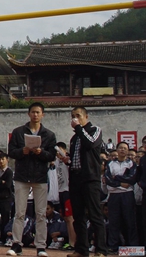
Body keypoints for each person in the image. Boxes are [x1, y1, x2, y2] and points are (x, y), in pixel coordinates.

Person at [7, 102, 57, 257]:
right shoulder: (18, 132)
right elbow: (11, 152)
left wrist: (40, 152)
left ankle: (41, 246)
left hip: (40, 177)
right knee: (19, 212)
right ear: (28, 114)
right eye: (33, 112)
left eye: (38, 112)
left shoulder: (49, 135)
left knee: (41, 213)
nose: (35, 115)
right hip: (22, 176)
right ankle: (16, 244)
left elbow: (51, 156)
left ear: (43, 115)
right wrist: (23, 151)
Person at [64, 106, 108, 257]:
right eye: (73, 116)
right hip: (76, 178)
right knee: (78, 216)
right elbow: (77, 159)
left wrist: (79, 129)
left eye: (78, 115)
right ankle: (81, 249)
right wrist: (67, 160)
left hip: (90, 178)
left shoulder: (94, 130)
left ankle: (101, 249)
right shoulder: (74, 138)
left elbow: (90, 144)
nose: (75, 119)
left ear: (86, 117)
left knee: (95, 215)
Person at [104, 141, 139, 252]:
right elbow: (108, 179)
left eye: (125, 148)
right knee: (114, 221)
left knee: (130, 220)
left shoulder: (131, 164)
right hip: (114, 195)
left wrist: (117, 178)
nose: (122, 150)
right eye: (120, 148)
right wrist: (119, 183)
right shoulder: (110, 164)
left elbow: (131, 179)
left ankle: (132, 246)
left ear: (128, 150)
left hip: (127, 194)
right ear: (117, 149)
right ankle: (113, 246)